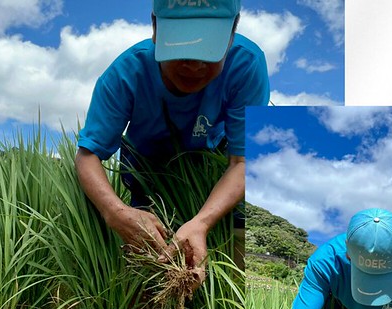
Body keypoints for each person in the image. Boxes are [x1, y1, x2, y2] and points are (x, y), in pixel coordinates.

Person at [75, 0, 269, 274]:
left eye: (208, 51)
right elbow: (88, 154)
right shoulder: (125, 73)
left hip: (208, 154)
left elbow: (243, 162)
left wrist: (202, 222)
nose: (194, 65)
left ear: (232, 33)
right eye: (182, 49)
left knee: (233, 226)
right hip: (146, 158)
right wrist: (115, 213)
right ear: (155, 28)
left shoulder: (246, 65)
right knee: (149, 241)